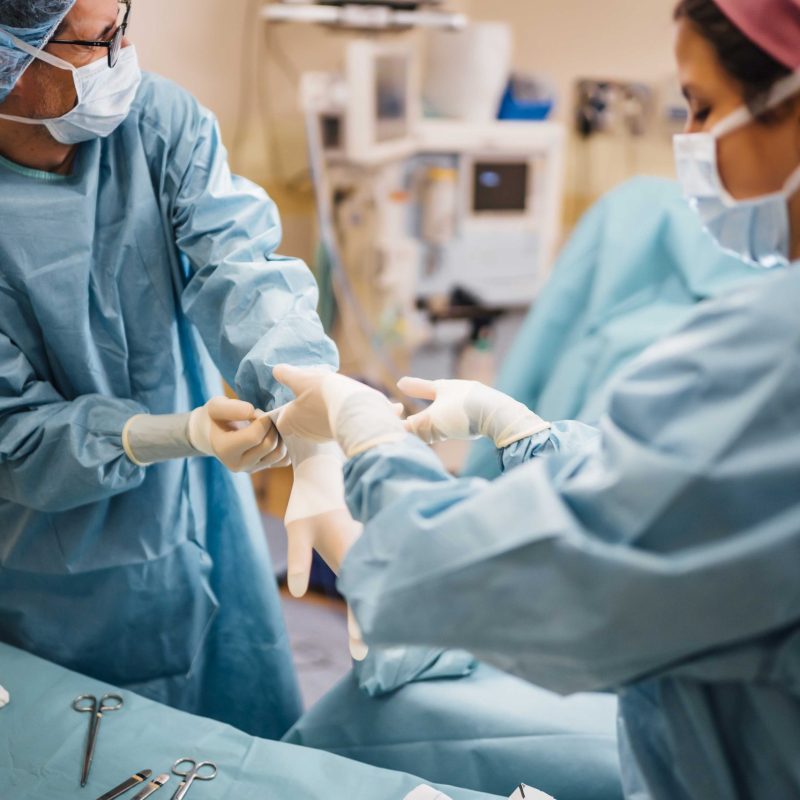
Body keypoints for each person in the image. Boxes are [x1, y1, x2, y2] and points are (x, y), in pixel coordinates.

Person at [271, 0, 800, 796]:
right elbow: (702, 495)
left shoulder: (772, 349)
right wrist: (525, 433)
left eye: (702, 105)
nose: (687, 140)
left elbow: (529, 582)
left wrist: (374, 447)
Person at [0, 0, 338, 739]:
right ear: (11, 56)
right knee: (62, 752)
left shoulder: (155, 123)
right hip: (42, 564)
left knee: (233, 738)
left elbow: (241, 266)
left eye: (127, 24)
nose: (127, 56)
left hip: (195, 518)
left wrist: (309, 399)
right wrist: (168, 431)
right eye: (99, 41)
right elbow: (13, 437)